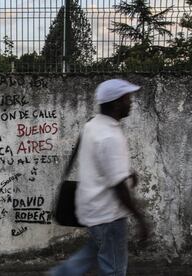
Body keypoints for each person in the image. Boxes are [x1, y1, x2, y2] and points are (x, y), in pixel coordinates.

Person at [50, 79, 149, 276]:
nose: (131, 102)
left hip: (92, 211)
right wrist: (141, 219)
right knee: (114, 269)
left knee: (91, 252)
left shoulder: (92, 125)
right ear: (116, 103)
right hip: (109, 216)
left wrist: (125, 170)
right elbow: (119, 187)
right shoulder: (110, 136)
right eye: (127, 98)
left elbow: (102, 161)